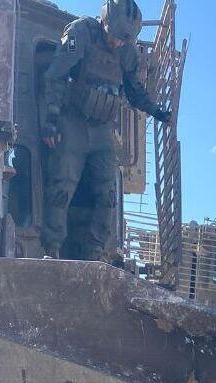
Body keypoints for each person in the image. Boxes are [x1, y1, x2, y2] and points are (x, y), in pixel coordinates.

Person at [40, 0, 171, 260]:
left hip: (102, 130)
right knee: (62, 184)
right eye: (115, 37)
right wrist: (51, 121)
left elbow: (134, 91)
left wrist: (156, 111)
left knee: (107, 193)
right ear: (104, 23)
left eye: (124, 40)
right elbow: (55, 75)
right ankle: (52, 248)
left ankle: (96, 252)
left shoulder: (127, 52)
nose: (118, 44)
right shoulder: (82, 33)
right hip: (74, 122)